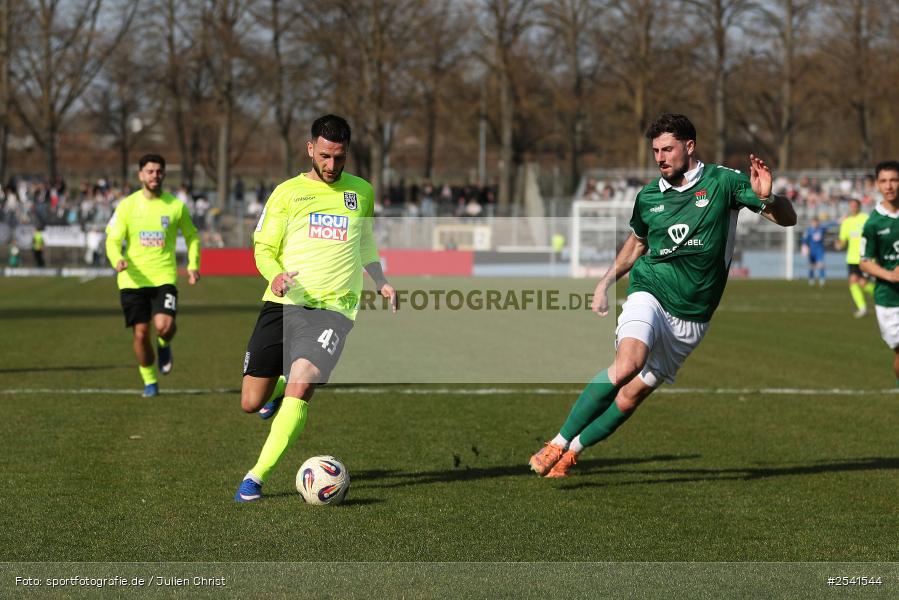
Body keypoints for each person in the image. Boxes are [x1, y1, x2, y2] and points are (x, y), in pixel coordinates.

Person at [529, 113, 796, 478]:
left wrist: (771, 198)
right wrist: (605, 282)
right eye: (655, 150)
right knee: (627, 364)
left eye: (667, 148)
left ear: (689, 146)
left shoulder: (724, 182)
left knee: (631, 396)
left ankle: (572, 452)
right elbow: (637, 243)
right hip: (650, 290)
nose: (660, 157)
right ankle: (556, 442)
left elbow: (787, 219)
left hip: (694, 315)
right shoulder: (649, 196)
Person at [234, 114, 397, 502]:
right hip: (283, 303)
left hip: (335, 310)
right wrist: (274, 275)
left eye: (339, 158)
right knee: (250, 402)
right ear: (310, 149)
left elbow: (365, 243)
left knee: (303, 383)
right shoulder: (286, 193)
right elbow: (263, 248)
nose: (331, 166)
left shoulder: (361, 192)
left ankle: (255, 477)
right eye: (324, 156)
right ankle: (274, 390)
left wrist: (381, 280)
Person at [105, 154, 201, 397]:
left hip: (163, 277)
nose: (154, 176)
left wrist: (193, 264)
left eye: (159, 171)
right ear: (140, 175)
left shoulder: (175, 206)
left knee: (164, 326)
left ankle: (165, 344)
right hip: (132, 279)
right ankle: (149, 381)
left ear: (164, 174)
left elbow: (192, 236)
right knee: (139, 334)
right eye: (149, 171)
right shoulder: (126, 206)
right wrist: (116, 259)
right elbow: (113, 239)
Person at [859, 161, 899, 384]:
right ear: (877, 184)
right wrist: (891, 275)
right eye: (884, 181)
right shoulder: (874, 223)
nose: (889, 186)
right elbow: (864, 262)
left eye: (894, 179)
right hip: (890, 298)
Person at [836, 199, 874, 317]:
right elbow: (843, 240)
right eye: (851, 206)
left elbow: (873, 234)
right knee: (853, 281)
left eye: (854, 206)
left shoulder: (866, 218)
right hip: (852, 258)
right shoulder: (846, 222)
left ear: (859, 207)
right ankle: (862, 308)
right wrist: (839, 244)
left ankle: (885, 297)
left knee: (863, 283)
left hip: (865, 257)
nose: (852, 208)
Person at [801, 216, 828, 286]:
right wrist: (805, 248)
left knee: (821, 265)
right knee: (811, 266)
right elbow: (804, 240)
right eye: (814, 222)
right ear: (812, 223)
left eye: (816, 222)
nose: (815, 224)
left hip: (819, 250)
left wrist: (838, 221)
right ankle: (811, 279)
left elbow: (829, 224)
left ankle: (822, 280)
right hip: (811, 250)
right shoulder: (809, 230)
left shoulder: (821, 229)